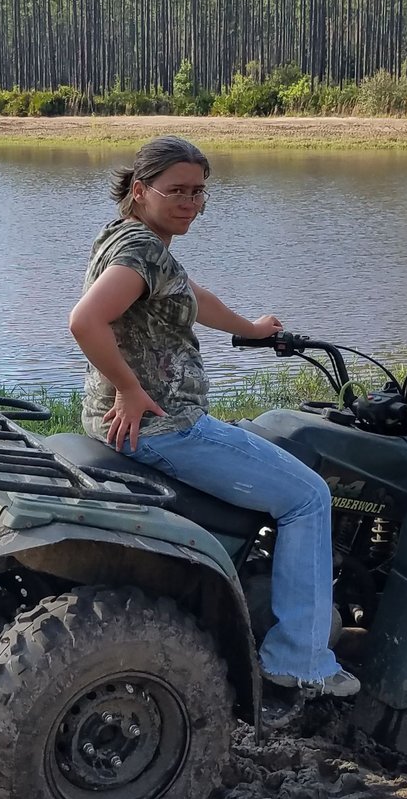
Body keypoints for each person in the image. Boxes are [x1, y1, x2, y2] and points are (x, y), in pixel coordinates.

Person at [67, 135, 359, 698]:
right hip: (164, 429)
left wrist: (250, 328)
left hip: (129, 423)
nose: (189, 203)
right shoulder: (139, 252)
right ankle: (300, 658)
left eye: (199, 192)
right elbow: (85, 321)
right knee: (308, 497)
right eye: (175, 191)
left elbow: (188, 295)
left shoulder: (131, 241)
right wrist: (128, 387)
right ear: (139, 188)